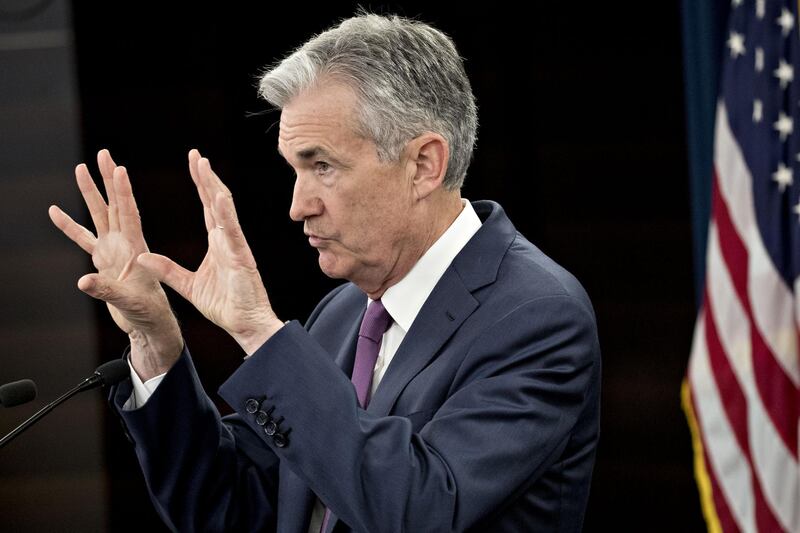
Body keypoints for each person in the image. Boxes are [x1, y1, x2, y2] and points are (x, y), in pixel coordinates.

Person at [49, 12, 601, 533]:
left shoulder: (536, 315)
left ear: (424, 165)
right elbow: (229, 509)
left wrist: (257, 332)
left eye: (323, 166)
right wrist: (155, 340)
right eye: (295, 169)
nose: (297, 205)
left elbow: (420, 509)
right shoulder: (340, 315)